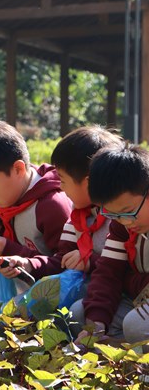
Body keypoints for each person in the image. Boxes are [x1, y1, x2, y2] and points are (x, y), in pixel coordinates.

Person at [0, 121, 72, 282]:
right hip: (30, 288)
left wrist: (11, 249)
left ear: (18, 169)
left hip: (58, 297)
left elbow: (67, 265)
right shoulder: (15, 196)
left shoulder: (51, 206)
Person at [71, 145, 149, 348]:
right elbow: (108, 272)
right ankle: (121, 350)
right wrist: (96, 323)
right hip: (139, 299)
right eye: (114, 215)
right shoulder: (122, 225)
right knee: (80, 312)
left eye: (128, 211)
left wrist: (128, 279)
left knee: (136, 325)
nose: (125, 221)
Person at [52, 126, 125, 274]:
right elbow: (62, 259)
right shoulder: (79, 213)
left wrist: (90, 261)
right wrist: (27, 263)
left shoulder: (122, 218)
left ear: (88, 184)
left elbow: (123, 269)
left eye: (63, 180)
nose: (61, 187)